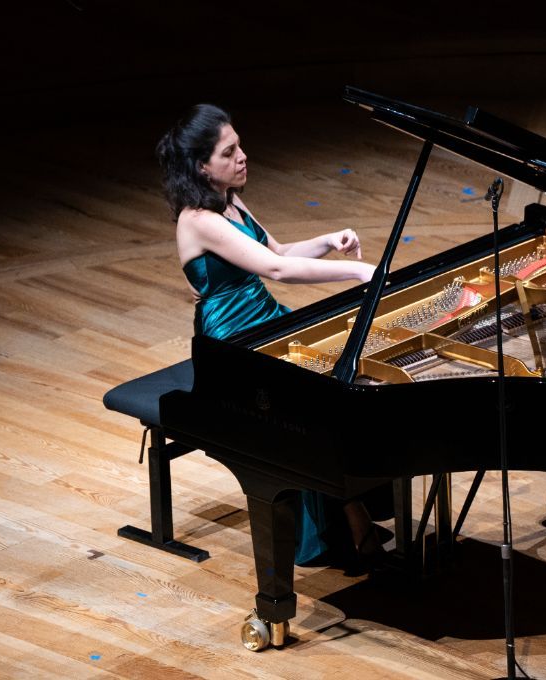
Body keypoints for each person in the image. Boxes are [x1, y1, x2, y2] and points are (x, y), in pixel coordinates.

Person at [155, 103, 390, 570]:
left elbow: (277, 249)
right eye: (229, 151)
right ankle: (349, 519)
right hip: (231, 341)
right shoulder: (197, 220)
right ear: (202, 165)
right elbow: (276, 269)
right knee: (309, 402)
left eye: (239, 145)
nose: (243, 156)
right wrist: (358, 271)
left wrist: (328, 240)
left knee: (345, 378)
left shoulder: (228, 199)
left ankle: (355, 503)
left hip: (265, 318)